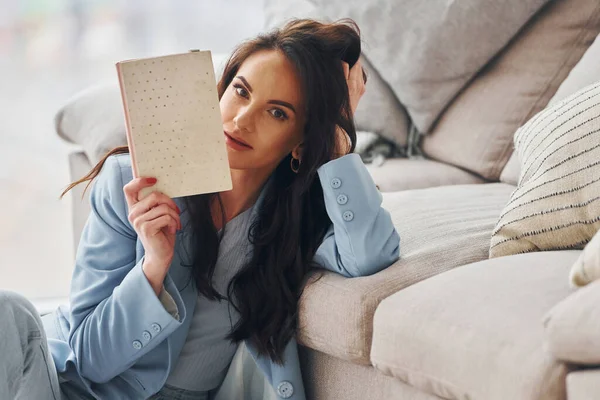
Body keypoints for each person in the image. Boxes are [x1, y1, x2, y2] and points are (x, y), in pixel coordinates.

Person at [0, 18, 400, 400]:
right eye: (241, 91)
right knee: (9, 312)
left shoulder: (298, 219)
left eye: (277, 112)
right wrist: (152, 269)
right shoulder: (134, 183)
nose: (243, 120)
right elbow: (88, 359)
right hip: (69, 389)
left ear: (300, 140)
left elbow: (370, 254)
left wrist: (337, 142)